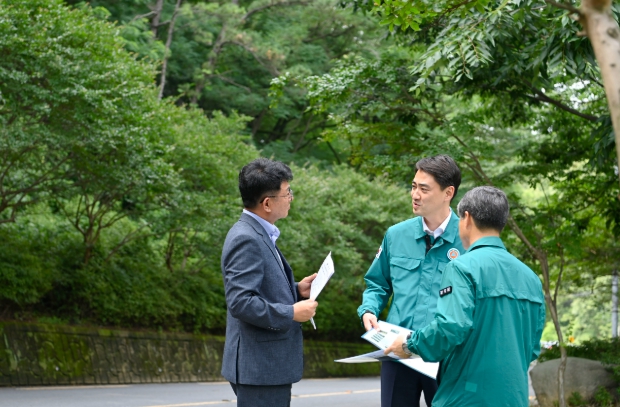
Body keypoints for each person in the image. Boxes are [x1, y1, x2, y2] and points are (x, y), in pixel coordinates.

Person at [385, 186, 546, 407]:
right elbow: (532, 347)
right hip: (513, 398)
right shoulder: (531, 278)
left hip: (465, 397)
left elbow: (449, 327)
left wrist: (407, 345)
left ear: (467, 219)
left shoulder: (462, 267)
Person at [358, 155, 465, 407]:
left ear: (448, 192)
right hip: (397, 352)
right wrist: (369, 309)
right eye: (414, 186)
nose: (415, 194)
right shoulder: (396, 235)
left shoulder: (467, 239)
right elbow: (377, 283)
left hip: (445, 355)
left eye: (424, 189)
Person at [221, 158, 318, 407]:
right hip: (260, 367)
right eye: (287, 193)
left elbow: (259, 287)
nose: (291, 198)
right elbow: (241, 302)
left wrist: (297, 289)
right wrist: (291, 313)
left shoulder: (260, 232)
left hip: (264, 365)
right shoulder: (247, 238)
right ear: (267, 203)